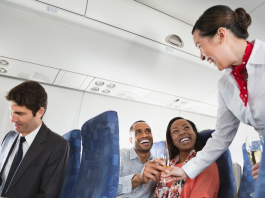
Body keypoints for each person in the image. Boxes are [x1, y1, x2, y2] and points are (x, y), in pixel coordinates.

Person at [163, 5, 265, 182]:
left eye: (200, 46)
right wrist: (186, 170)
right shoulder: (225, 85)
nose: (201, 56)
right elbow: (221, 137)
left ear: (221, 35)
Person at [0, 81, 69, 198]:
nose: (12, 119)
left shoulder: (57, 145)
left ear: (39, 112)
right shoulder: (9, 137)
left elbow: (48, 195)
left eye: (19, 113)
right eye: (11, 112)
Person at [155, 117, 219, 198]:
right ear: (172, 141)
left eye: (186, 127)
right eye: (175, 131)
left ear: (195, 135)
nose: (182, 132)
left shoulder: (206, 164)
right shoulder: (167, 168)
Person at [117, 120, 166, 198]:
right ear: (131, 140)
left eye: (148, 131)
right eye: (138, 132)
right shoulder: (120, 156)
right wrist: (138, 179)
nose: (145, 135)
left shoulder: (158, 164)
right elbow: (108, 187)